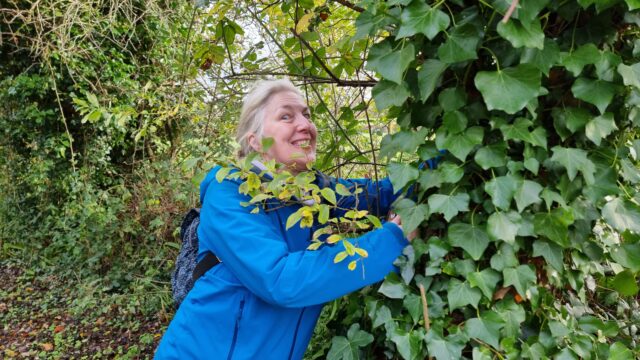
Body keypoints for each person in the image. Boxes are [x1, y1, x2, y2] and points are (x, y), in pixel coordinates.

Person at [155, 79, 415, 359]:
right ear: (255, 141)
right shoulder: (229, 192)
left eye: (306, 114)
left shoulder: (312, 191)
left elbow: (381, 194)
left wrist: (450, 156)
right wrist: (389, 240)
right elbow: (280, 279)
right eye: (286, 116)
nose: (305, 124)